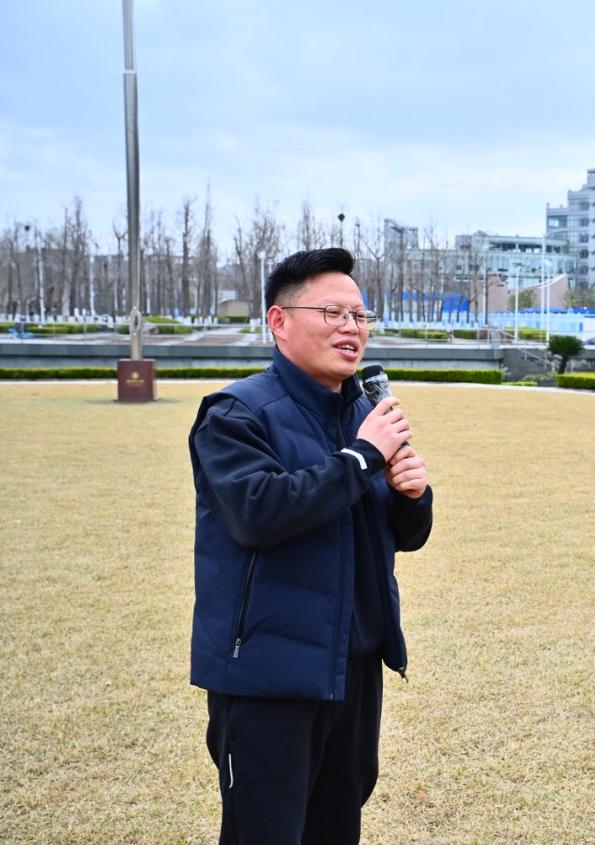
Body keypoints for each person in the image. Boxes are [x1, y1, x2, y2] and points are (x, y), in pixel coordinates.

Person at [188, 247, 433, 844]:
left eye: (360, 315)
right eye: (333, 313)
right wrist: (363, 457)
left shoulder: (364, 412)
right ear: (279, 321)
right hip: (269, 677)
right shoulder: (235, 414)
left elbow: (402, 536)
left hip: (352, 669)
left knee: (337, 829)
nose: (352, 328)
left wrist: (412, 496)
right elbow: (259, 512)